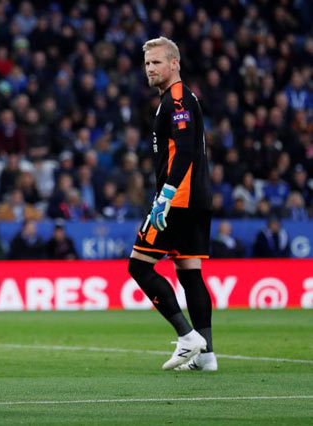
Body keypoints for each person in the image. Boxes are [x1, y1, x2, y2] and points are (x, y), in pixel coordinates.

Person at [128, 37, 216, 372]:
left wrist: (164, 196)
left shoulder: (177, 99)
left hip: (178, 199)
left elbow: (186, 150)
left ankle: (187, 337)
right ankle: (206, 357)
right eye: (147, 63)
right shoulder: (178, 99)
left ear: (174, 64)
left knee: (138, 266)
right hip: (196, 198)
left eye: (157, 63)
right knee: (190, 274)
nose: (150, 69)